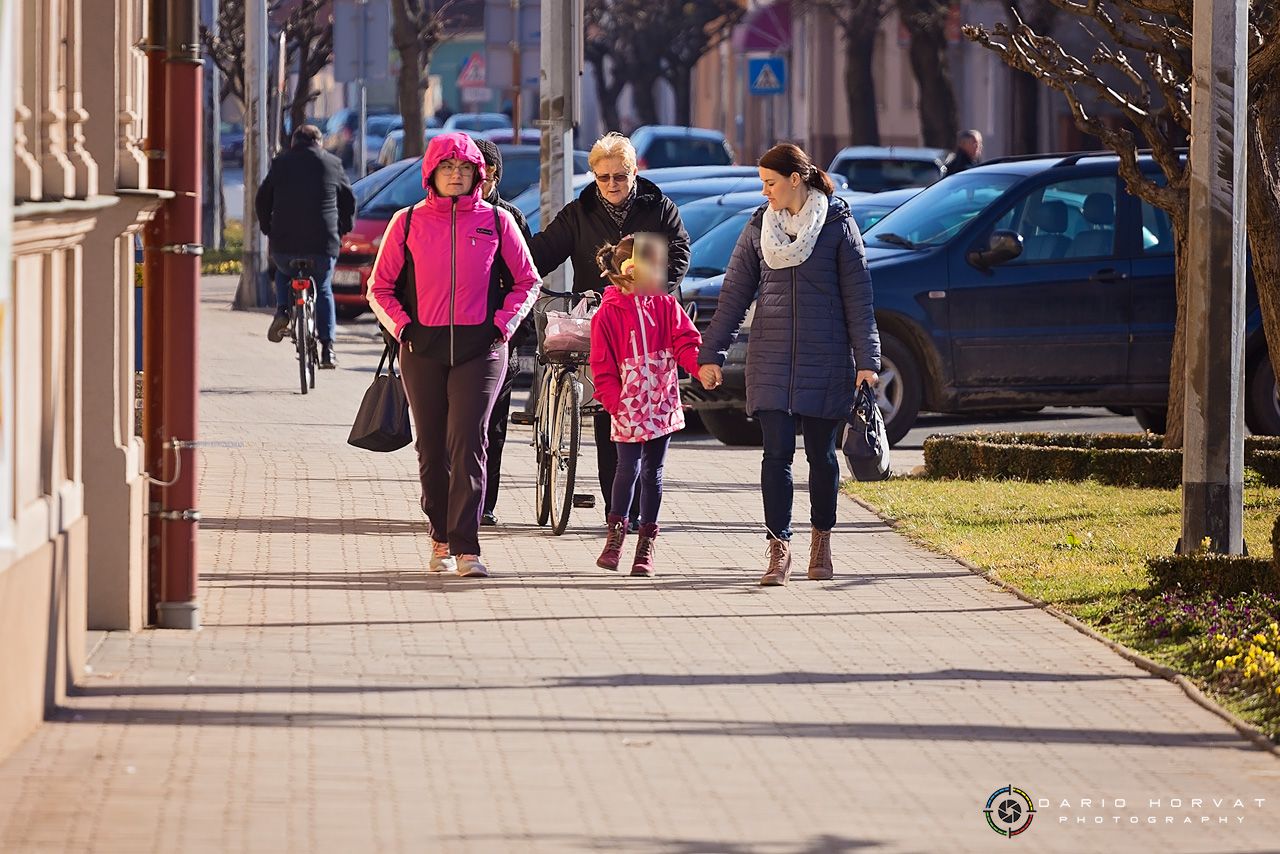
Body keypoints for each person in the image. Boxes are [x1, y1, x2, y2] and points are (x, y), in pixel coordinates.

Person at [697, 143, 880, 587]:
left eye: (770, 183)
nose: (765, 192)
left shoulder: (837, 224)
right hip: (771, 357)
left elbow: (859, 298)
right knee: (776, 454)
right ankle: (779, 548)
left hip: (826, 357)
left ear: (795, 179)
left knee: (822, 455)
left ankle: (821, 542)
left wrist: (867, 360)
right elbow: (734, 296)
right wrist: (711, 355)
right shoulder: (758, 227)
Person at [367, 133, 540, 578]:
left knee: (469, 441)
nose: (456, 175)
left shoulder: (498, 221)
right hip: (421, 348)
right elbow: (379, 287)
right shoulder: (406, 222)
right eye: (447, 167)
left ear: (479, 174)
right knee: (431, 447)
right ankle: (439, 536)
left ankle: (467, 547)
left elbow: (528, 282)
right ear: (432, 173)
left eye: (465, 168)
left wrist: (501, 327)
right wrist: (404, 328)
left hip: (481, 349)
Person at [529, 132, 691, 524]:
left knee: (647, 418)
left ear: (634, 173)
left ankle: (640, 511)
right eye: (604, 177)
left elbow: (680, 253)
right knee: (609, 411)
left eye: (620, 176)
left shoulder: (659, 208)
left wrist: (652, 287)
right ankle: (616, 511)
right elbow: (544, 251)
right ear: (594, 177)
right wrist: (517, 270)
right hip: (601, 320)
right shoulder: (579, 212)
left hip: (648, 324)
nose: (612, 184)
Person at [589, 234, 703, 577]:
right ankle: (615, 537)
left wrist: (700, 368)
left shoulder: (666, 306)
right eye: (656, 268)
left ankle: (646, 544)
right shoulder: (607, 314)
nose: (662, 275)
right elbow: (602, 367)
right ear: (631, 270)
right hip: (627, 407)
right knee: (627, 469)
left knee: (653, 473)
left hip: (661, 403)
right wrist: (615, 403)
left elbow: (685, 342)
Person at [256, 124, 355, 368]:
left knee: (283, 272)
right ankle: (328, 349)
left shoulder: (281, 163)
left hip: (284, 243)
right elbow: (348, 200)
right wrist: (344, 227)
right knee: (323, 288)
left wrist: (267, 227)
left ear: (294, 143)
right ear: (319, 142)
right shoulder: (332, 163)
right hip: (323, 244)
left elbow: (262, 198)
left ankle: (282, 311)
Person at [472, 137, 534, 527]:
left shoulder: (509, 218)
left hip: (499, 339)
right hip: (453, 336)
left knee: (493, 427)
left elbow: (525, 281)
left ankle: (485, 503)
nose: (479, 182)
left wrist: (514, 334)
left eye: (487, 174)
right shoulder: (444, 215)